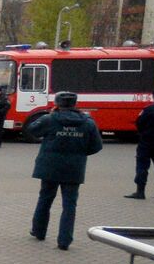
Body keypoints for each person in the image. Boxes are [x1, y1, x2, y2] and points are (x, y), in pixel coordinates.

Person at [28, 92, 102, 250]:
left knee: (45, 199)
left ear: (57, 103)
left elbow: (32, 130)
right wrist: (79, 153)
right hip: (74, 168)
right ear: (75, 104)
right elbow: (96, 146)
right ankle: (64, 240)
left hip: (50, 166)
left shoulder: (50, 119)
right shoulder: (88, 122)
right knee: (70, 205)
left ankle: (39, 231)